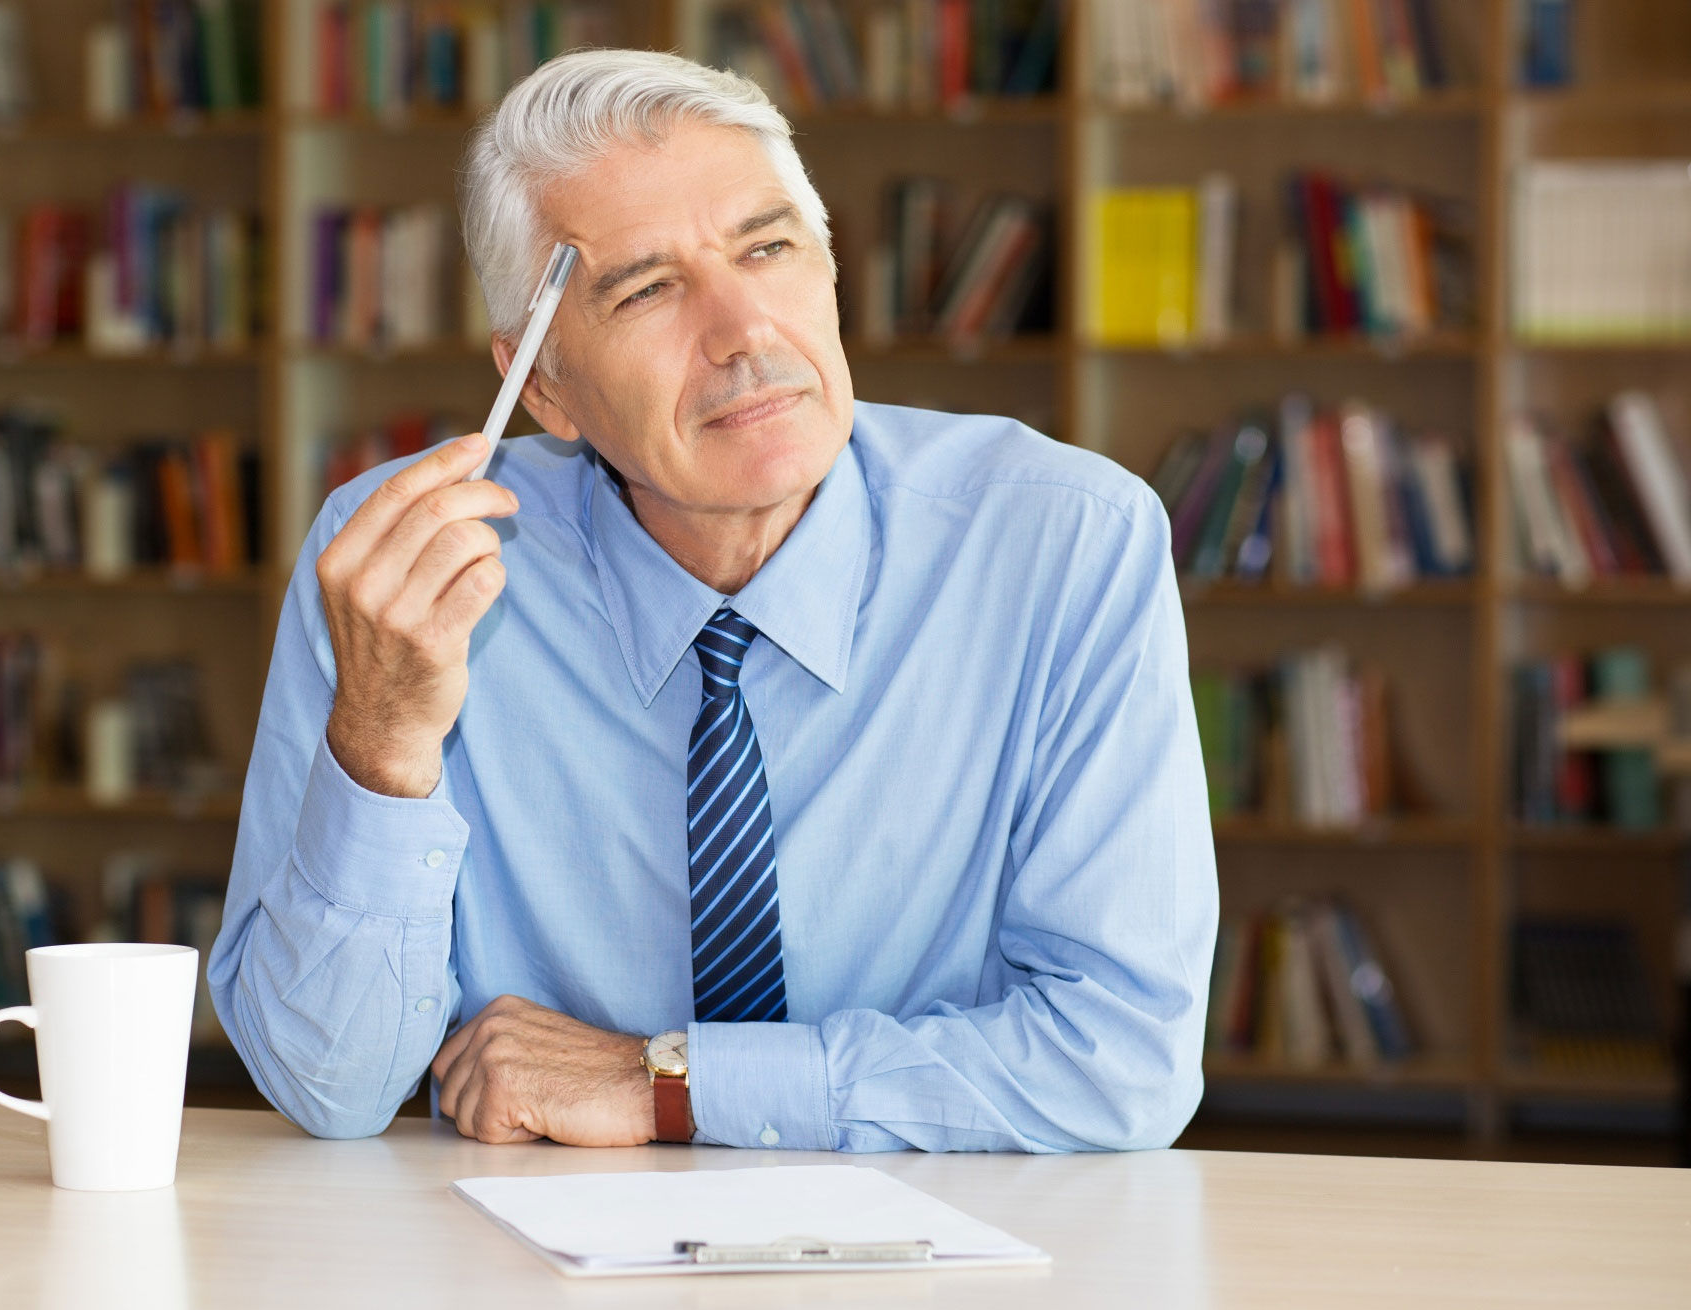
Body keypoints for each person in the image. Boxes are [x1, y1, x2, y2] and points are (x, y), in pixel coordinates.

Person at [207, 49, 1218, 1153]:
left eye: (769, 248)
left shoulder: (1063, 542)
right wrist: (384, 739)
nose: (744, 330)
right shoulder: (405, 571)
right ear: (542, 386)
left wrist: (667, 1083)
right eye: (644, 289)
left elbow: (1119, 1063)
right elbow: (328, 1085)